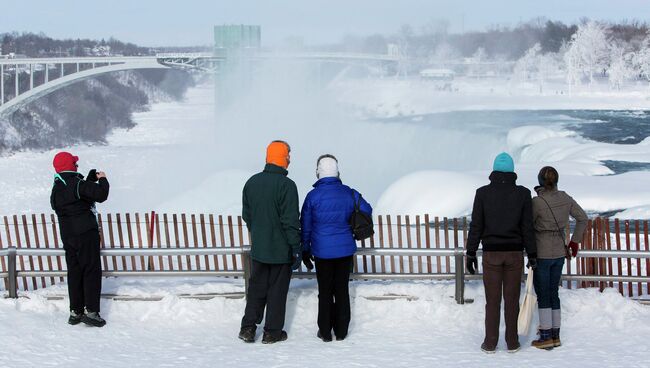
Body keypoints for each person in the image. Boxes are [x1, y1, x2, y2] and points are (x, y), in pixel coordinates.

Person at [465, 152, 537, 354]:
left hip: (491, 255)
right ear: (513, 171)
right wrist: (532, 254)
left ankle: (490, 343)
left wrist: (471, 253)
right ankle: (512, 342)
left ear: (494, 170)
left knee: (493, 300)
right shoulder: (523, 194)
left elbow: (476, 225)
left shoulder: (482, 193)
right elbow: (527, 227)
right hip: (514, 254)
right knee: (512, 299)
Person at [300, 154, 372, 342]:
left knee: (325, 291)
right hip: (344, 251)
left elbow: (305, 226)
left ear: (318, 173)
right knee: (341, 290)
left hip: (322, 252)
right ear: (337, 171)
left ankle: (325, 332)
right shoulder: (349, 192)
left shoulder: (312, 196)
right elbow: (367, 209)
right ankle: (341, 331)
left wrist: (305, 249)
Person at [238, 140, 301, 344]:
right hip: (281, 251)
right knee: (276, 291)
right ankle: (272, 332)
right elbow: (290, 222)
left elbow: (247, 215)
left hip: (260, 248)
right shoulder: (287, 186)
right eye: (288, 156)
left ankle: (247, 328)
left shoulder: (252, 182)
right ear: (283, 158)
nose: (290, 160)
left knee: (257, 288)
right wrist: (296, 248)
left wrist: (259, 231)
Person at [530, 166, 588, 349]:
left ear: (540, 181)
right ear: (557, 181)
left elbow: (528, 225)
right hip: (560, 253)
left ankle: (545, 336)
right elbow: (583, 218)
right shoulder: (565, 198)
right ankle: (556, 335)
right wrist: (574, 242)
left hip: (543, 252)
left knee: (543, 293)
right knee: (554, 292)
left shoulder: (537, 202)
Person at [50, 152, 110, 327]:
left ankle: (75, 312)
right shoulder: (76, 183)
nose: (77, 166)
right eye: (75, 164)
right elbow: (100, 195)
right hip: (85, 234)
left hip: (68, 236)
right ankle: (91, 312)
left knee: (75, 272)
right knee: (91, 271)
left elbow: (79, 196)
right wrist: (103, 179)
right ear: (71, 166)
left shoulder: (57, 187)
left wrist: (89, 180)